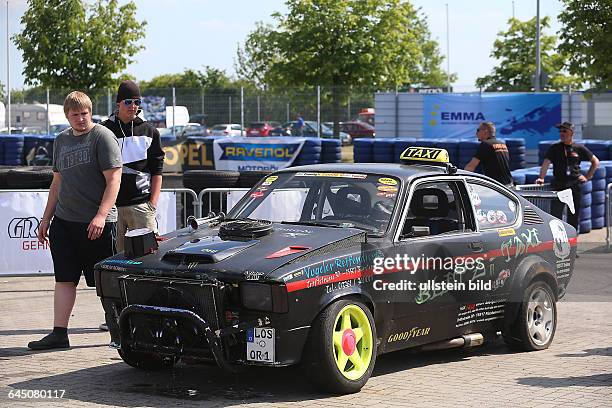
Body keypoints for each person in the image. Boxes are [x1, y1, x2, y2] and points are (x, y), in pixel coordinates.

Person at [27, 91, 122, 350]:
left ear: (91, 112)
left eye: (85, 113)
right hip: (65, 222)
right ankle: (59, 333)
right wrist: (46, 219)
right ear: (67, 115)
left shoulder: (102, 137)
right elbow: (57, 183)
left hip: (97, 224)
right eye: (75, 114)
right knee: (64, 279)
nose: (81, 119)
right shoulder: (61, 140)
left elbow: (114, 179)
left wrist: (101, 215)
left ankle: (119, 331)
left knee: (105, 282)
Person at [99, 80, 164, 331]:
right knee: (116, 263)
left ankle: (149, 313)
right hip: (112, 208)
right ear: (118, 104)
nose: (134, 106)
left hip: (140, 207)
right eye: (129, 101)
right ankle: (116, 315)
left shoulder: (149, 131)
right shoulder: (104, 130)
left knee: (146, 262)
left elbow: (158, 169)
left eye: (138, 102)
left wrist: (152, 204)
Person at [536, 121, 599, 231]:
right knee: (556, 215)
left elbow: (595, 162)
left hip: (574, 186)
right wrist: (541, 177)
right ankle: (557, 239)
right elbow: (546, 163)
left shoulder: (579, 148)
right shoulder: (554, 148)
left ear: (572, 133)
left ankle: (572, 239)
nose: (562, 133)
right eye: (560, 131)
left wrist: (587, 177)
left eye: (564, 131)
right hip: (559, 185)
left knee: (573, 216)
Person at [464, 121, 513, 187]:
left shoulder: (486, 144)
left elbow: (470, 167)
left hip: (497, 186)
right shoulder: (502, 144)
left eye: (478, 130)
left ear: (485, 131)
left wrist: (462, 179)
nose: (476, 133)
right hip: (509, 184)